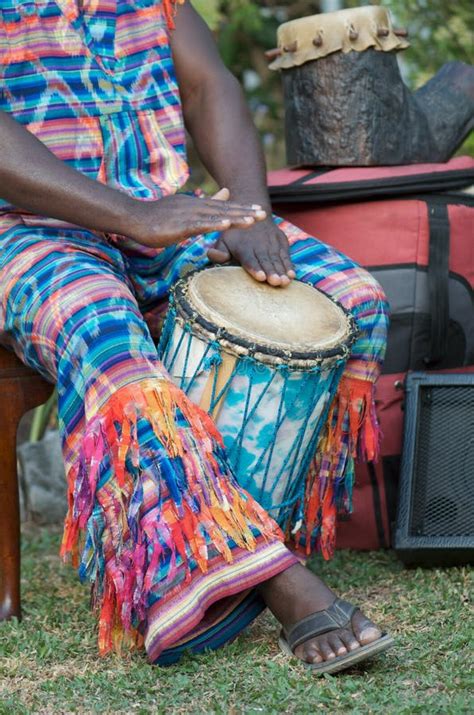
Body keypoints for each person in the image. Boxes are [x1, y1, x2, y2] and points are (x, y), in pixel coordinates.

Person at [0, 0, 392, 672]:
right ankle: (273, 578)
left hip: (164, 218)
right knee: (110, 345)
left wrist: (246, 211)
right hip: (31, 234)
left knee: (351, 300)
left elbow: (212, 84)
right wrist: (132, 213)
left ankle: (233, 535)